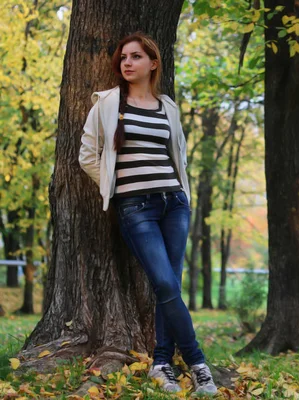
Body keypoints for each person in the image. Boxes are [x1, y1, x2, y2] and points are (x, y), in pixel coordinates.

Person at [79, 32, 218, 396]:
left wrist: (183, 195)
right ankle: (198, 362)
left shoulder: (167, 107)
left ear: (153, 63)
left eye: (136, 56)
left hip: (174, 203)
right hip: (135, 206)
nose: (127, 62)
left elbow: (179, 156)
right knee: (167, 284)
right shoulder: (108, 104)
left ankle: (161, 364)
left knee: (167, 286)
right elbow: (87, 155)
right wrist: (114, 185)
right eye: (123, 57)